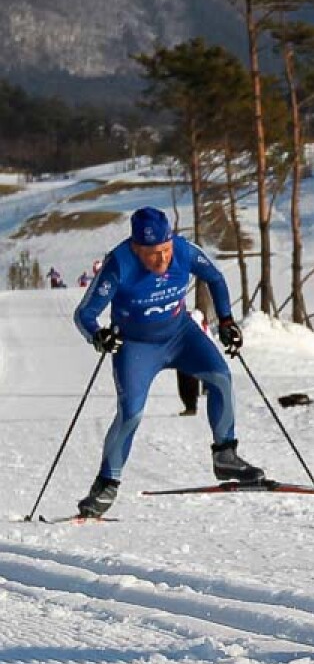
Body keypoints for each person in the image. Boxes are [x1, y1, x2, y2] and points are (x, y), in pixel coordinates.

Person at [73, 207, 261, 518]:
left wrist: (226, 321)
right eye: (151, 254)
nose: (161, 260)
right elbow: (84, 314)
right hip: (136, 346)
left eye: (165, 250)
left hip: (181, 334)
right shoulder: (119, 263)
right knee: (130, 413)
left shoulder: (184, 251)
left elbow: (214, 277)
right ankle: (106, 483)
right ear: (135, 247)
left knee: (221, 378)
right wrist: (98, 336)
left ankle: (225, 455)